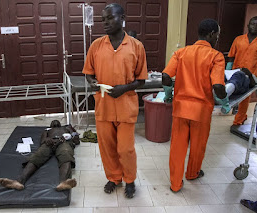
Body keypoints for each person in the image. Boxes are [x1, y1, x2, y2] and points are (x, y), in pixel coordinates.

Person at [82, 3, 147, 198]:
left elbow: (141, 80)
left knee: (125, 149)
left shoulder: (136, 46)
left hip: (126, 106)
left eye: (110, 18)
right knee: (107, 147)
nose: (106, 23)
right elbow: (88, 73)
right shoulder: (96, 45)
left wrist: (124, 88)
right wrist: (92, 82)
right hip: (104, 105)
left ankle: (129, 179)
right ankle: (114, 178)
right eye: (103, 19)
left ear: (122, 18)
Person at [162, 19, 227, 192]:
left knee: (177, 148)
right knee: (198, 146)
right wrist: (225, 98)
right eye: (217, 36)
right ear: (212, 34)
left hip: (181, 109)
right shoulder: (216, 56)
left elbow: (165, 77)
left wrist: (170, 92)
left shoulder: (181, 53)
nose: (217, 39)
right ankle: (192, 173)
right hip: (201, 112)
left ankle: (175, 184)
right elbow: (218, 87)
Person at [0, 120, 79, 191]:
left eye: (56, 121)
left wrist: (70, 136)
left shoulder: (67, 128)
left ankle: (63, 182)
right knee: (36, 157)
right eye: (53, 121)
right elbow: (42, 141)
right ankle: (19, 182)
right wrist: (47, 140)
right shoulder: (47, 130)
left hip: (64, 142)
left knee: (66, 154)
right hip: (49, 144)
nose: (55, 121)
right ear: (50, 125)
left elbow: (77, 140)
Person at [226, 16, 257, 125]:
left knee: (244, 98)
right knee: (232, 93)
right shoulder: (238, 39)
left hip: (251, 75)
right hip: (235, 73)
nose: (254, 26)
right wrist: (227, 70)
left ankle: (238, 120)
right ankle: (234, 111)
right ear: (248, 25)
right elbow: (231, 56)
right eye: (252, 24)